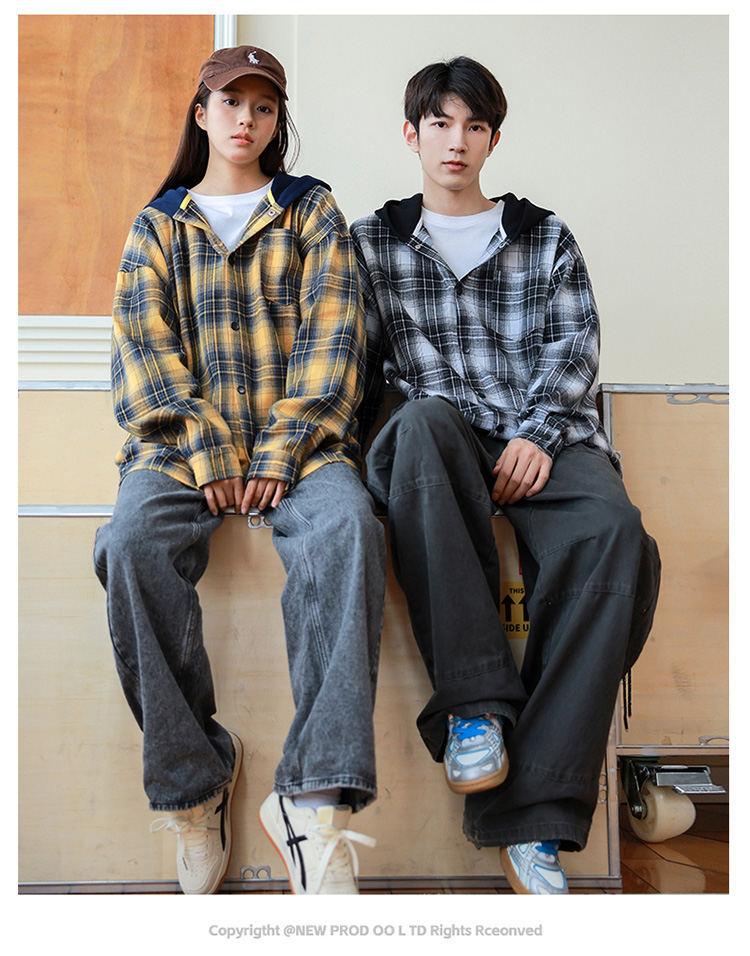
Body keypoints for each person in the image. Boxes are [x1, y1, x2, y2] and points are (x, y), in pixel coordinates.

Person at [351, 56, 661, 895]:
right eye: (440, 124)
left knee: (617, 535)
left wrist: (537, 432)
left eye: (475, 126)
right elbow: (356, 362)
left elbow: (575, 347)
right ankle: (474, 708)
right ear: (412, 134)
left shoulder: (546, 236)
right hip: (438, 437)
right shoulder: (372, 242)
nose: (457, 141)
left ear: (494, 138)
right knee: (418, 426)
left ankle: (534, 817)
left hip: (542, 434)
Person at [93, 45, 384, 896]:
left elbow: (337, 344)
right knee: (130, 543)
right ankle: (196, 786)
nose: (246, 120)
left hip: (305, 451)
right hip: (178, 455)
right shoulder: (158, 225)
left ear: (276, 120)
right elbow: (141, 357)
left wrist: (280, 450)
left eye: (263, 106)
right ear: (202, 114)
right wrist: (211, 451)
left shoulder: (311, 211)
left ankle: (315, 806)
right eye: (230, 103)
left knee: (351, 530)